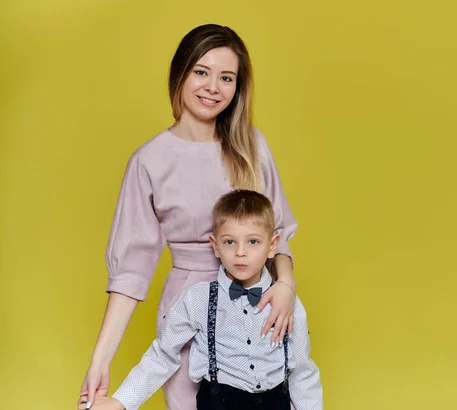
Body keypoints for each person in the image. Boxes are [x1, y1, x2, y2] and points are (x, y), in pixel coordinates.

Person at [78, 24, 299, 410]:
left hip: (258, 302)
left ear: (237, 87)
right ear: (179, 73)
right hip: (186, 306)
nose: (213, 86)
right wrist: (100, 360)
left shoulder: (252, 146)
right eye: (201, 72)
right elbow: (130, 270)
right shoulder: (149, 161)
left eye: (226, 77)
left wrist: (287, 285)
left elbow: (278, 231)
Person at [79, 190, 322, 410]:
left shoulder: (288, 303)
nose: (240, 251)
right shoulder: (198, 299)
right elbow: (162, 355)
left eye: (253, 241)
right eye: (230, 242)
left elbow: (301, 372)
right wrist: (121, 402)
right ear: (215, 246)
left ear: (273, 246)